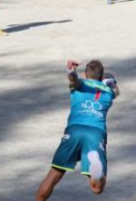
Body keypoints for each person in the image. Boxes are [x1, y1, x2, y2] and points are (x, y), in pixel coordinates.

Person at [35, 60, 119, 201]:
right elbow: (117, 91)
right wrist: (110, 82)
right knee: (97, 189)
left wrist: (70, 71)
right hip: (96, 134)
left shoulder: (81, 85)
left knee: (52, 178)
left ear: (86, 74)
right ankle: (96, 173)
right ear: (101, 76)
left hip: (74, 132)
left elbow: (73, 79)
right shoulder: (109, 93)